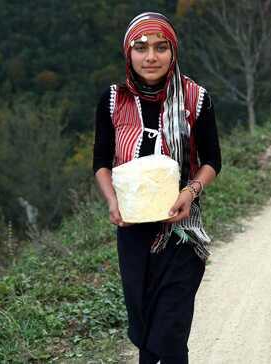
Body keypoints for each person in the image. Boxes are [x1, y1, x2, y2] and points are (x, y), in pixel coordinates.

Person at [92, 12, 222, 364]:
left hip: (182, 234)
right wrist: (112, 203)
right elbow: (101, 162)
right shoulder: (112, 100)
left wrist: (189, 192)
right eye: (141, 47)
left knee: (171, 332)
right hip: (134, 236)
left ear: (173, 52)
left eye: (161, 47)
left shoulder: (196, 98)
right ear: (128, 53)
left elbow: (212, 160)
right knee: (147, 331)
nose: (151, 56)